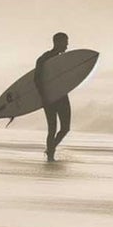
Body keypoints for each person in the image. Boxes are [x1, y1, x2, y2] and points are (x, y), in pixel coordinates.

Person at [34, 31, 72, 162]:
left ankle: (50, 149)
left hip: (61, 96)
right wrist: (44, 97)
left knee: (65, 128)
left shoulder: (65, 59)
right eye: (65, 43)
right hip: (50, 98)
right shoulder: (44, 58)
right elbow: (37, 79)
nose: (67, 46)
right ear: (58, 42)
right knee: (53, 128)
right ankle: (50, 156)